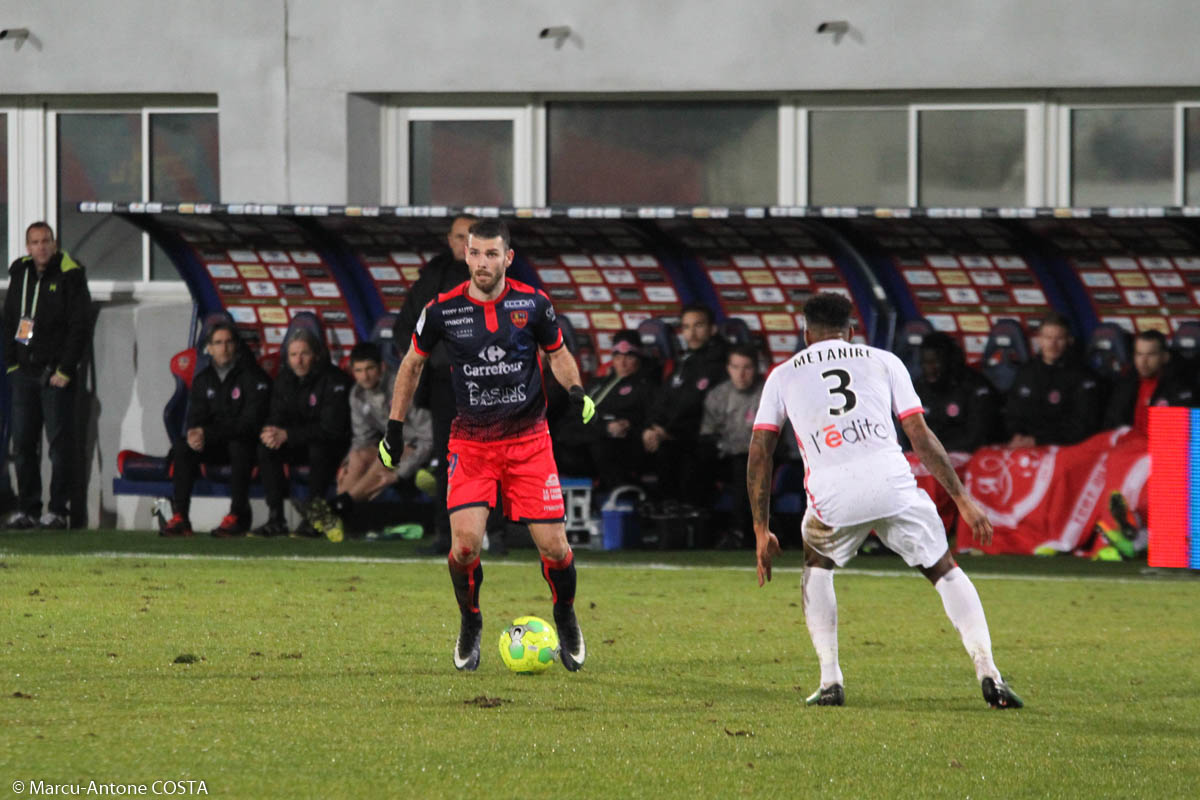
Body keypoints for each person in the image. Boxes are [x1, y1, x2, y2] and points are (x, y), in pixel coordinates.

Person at [748, 292, 1023, 710]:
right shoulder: (884, 360)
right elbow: (920, 436)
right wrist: (963, 500)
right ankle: (990, 674)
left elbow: (759, 452)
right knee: (945, 570)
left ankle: (830, 681)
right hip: (892, 483)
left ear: (806, 335)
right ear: (850, 332)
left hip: (833, 494)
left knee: (817, 566)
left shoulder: (782, 376)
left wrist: (760, 529)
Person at [378, 218, 594, 672]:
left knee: (555, 548)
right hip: (472, 444)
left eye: (491, 254)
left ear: (507, 258)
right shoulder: (441, 309)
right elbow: (412, 365)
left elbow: (557, 353)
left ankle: (565, 615)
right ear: (466, 255)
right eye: (475, 252)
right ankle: (470, 620)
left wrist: (575, 390)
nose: (482, 262)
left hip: (529, 441)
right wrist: (394, 428)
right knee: (464, 547)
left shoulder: (533, 304)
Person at [393, 214, 478, 555]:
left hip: (488, 381)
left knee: (491, 457)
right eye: (459, 237)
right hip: (445, 382)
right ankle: (446, 534)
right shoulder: (433, 275)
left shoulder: (491, 273)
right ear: (449, 239)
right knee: (448, 459)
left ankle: (498, 534)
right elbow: (405, 327)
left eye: (471, 237)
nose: (465, 244)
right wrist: (430, 358)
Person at [2, 222, 92, 530]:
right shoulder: (20, 273)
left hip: (55, 375)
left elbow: (79, 326)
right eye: (35, 242)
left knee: (58, 446)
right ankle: (28, 508)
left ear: (54, 244)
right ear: (28, 247)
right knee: (23, 445)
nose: (41, 247)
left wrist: (65, 369)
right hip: (23, 375)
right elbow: (10, 320)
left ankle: (57, 510)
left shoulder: (70, 275)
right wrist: (12, 364)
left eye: (46, 241)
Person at [162, 321, 271, 537]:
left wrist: (207, 432)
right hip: (214, 445)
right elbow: (195, 418)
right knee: (183, 447)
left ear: (236, 345)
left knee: (239, 445)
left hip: (246, 446)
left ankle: (237, 515)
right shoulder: (203, 380)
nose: (224, 348)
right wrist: (194, 434)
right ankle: (181, 517)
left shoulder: (253, 376)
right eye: (218, 343)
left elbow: (249, 424)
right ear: (209, 348)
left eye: (229, 342)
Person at [254, 327, 352, 539]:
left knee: (319, 449)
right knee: (266, 448)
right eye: (293, 355)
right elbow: (276, 416)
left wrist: (288, 435)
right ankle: (276, 519)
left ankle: (314, 519)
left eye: (304, 354)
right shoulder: (284, 380)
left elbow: (331, 429)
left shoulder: (335, 380)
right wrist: (271, 432)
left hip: (333, 446)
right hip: (299, 442)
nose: (298, 361)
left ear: (316, 355)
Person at [331, 342, 434, 520]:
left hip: (424, 450)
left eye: (370, 369)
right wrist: (346, 464)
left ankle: (339, 507)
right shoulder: (357, 394)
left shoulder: (403, 387)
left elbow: (429, 438)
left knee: (386, 455)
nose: (365, 376)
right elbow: (362, 439)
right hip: (396, 447)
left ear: (382, 367)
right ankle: (339, 511)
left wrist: (399, 474)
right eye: (359, 370)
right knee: (357, 456)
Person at [642, 303, 727, 507]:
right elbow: (662, 400)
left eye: (698, 326)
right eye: (687, 327)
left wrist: (668, 431)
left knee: (678, 455)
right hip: (671, 436)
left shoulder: (722, 362)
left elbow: (701, 408)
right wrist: (651, 427)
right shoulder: (684, 361)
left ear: (712, 329)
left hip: (703, 439)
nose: (692, 333)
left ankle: (686, 517)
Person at [552, 329, 656, 490]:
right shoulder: (598, 383)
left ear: (639, 358)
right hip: (584, 440)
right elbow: (571, 418)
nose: (622, 363)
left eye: (629, 357)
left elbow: (647, 419)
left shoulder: (645, 387)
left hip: (616, 447)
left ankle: (621, 491)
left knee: (600, 444)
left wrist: (626, 425)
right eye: (618, 357)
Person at [699, 345, 765, 549]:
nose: (741, 374)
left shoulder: (766, 394)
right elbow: (708, 432)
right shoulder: (718, 395)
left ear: (756, 369)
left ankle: (738, 530)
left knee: (743, 463)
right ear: (728, 368)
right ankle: (698, 529)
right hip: (725, 456)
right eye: (736, 367)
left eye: (747, 368)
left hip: (761, 458)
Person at [1004, 313, 1101, 447]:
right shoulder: (1026, 372)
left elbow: (1083, 425)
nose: (1052, 344)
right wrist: (1016, 435)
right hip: (1023, 444)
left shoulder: (1082, 375)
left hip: (1063, 447)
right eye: (1048, 338)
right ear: (1039, 340)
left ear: (1069, 341)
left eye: (1059, 338)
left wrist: (1038, 440)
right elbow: (1012, 413)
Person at [911, 332, 999, 453]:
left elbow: (975, 438)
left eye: (935, 362)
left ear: (950, 361)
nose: (930, 369)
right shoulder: (918, 388)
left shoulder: (974, 386)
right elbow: (905, 431)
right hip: (925, 455)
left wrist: (937, 452)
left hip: (968, 455)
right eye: (925, 363)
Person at [1102, 330, 1196, 435]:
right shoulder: (1126, 383)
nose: (1143, 362)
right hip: (1127, 442)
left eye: (1151, 355)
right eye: (1139, 354)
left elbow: (1179, 434)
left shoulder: (1178, 386)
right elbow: (1110, 425)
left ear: (1165, 357)